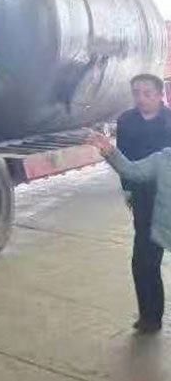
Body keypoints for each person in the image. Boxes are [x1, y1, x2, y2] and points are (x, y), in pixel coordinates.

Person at [88, 73, 171, 333]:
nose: (141, 98)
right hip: (144, 197)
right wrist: (127, 189)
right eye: (136, 93)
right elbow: (129, 167)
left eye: (148, 93)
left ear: (160, 95)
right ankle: (150, 316)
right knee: (144, 262)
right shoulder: (127, 121)